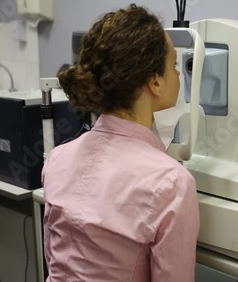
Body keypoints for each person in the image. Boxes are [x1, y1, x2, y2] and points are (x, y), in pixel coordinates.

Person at [42, 5, 200, 282]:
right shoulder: (171, 183)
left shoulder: (57, 158)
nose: (178, 75)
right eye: (174, 65)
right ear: (155, 82)